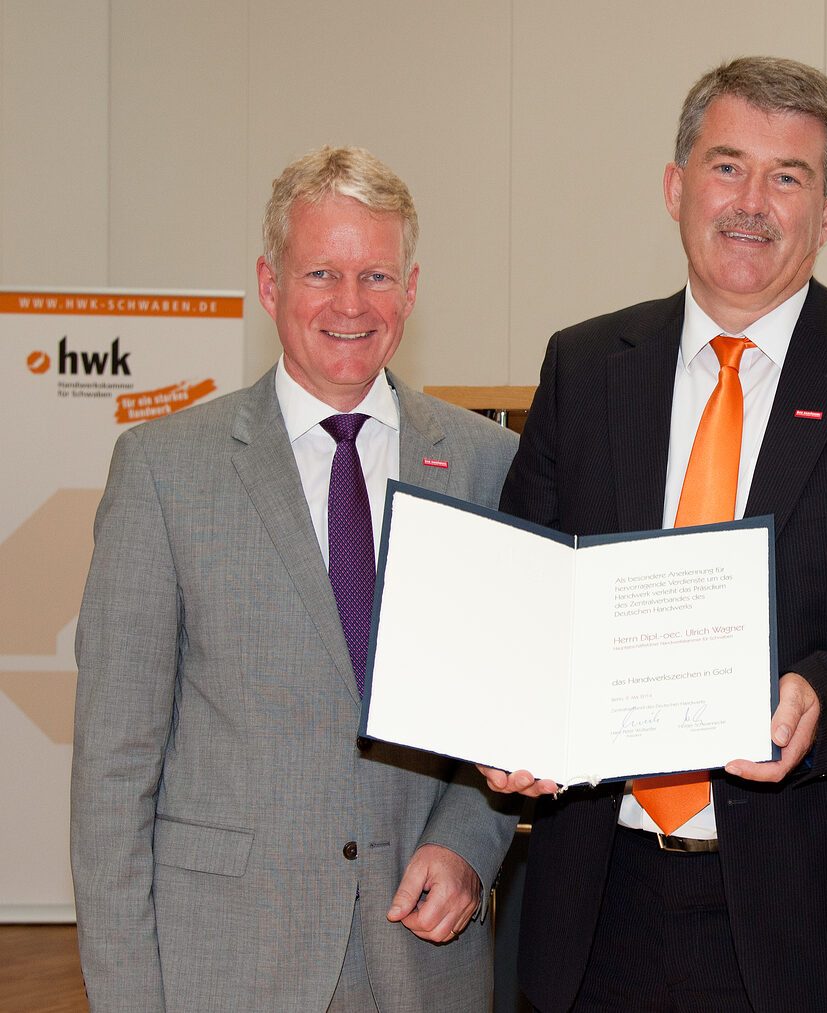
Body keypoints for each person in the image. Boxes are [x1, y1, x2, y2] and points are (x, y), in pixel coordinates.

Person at [479, 57, 827, 1012]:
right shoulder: (587, 366)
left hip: (822, 917)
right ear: (676, 188)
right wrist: (510, 722)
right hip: (602, 902)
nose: (751, 203)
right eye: (727, 167)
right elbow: (526, 596)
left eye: (787, 176)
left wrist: (826, 696)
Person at [71, 145, 519, 1012]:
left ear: (412, 288)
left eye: (377, 275)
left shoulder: (486, 464)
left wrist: (470, 841)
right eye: (322, 272)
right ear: (271, 285)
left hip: (422, 964)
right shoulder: (164, 471)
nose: (351, 304)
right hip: (228, 965)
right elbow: (111, 776)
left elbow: (507, 716)